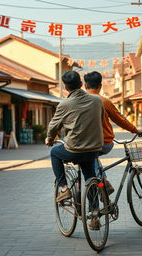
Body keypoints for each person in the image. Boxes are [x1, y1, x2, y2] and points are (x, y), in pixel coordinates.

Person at [45, 71, 104, 203]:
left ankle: (64, 189)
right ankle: (94, 213)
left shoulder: (64, 105)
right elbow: (100, 119)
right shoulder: (97, 100)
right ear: (81, 84)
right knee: (90, 177)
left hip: (74, 150)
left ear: (66, 88)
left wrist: (50, 138)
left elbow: (53, 126)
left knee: (54, 152)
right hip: (94, 149)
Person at [84, 71, 142, 194]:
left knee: (90, 158)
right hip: (105, 143)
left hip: (84, 144)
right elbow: (120, 120)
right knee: (94, 155)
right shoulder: (104, 101)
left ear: (85, 86)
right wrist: (135, 130)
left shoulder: (79, 102)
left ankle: (102, 181)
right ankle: (103, 181)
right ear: (100, 86)